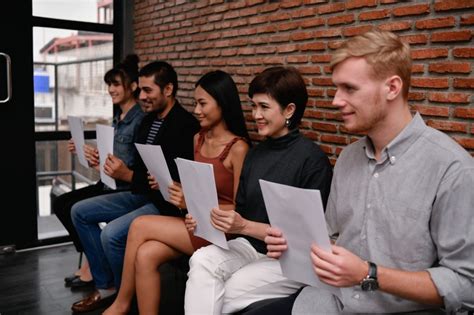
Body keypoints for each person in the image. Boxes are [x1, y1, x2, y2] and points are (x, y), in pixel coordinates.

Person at [265, 28, 474, 314]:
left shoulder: (452, 168)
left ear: (392, 88)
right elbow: (334, 239)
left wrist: (369, 274)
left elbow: (466, 285)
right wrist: (294, 244)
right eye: (337, 88)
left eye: (349, 88)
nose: (336, 100)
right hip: (330, 302)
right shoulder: (348, 158)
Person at [183, 66, 333, 315]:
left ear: (289, 110)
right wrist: (206, 219)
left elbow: (308, 238)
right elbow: (241, 212)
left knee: (216, 294)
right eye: (253, 106)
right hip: (249, 246)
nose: (255, 115)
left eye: (264, 107)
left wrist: (243, 226)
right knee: (200, 260)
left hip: (290, 260)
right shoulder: (255, 154)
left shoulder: (312, 160)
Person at [103, 70, 251, 314]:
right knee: (146, 254)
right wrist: (176, 190)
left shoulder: (238, 148)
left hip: (221, 230)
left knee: (139, 225)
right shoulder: (197, 139)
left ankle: (121, 304)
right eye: (195, 103)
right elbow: (196, 190)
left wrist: (191, 202)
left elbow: (239, 208)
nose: (197, 110)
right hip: (195, 221)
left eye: (203, 103)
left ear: (222, 104)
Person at [70, 61, 200, 313]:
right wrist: (113, 167)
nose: (142, 96)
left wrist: (130, 175)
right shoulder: (147, 121)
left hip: (164, 205)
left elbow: (181, 182)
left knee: (112, 235)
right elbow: (139, 170)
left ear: (169, 89)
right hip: (140, 193)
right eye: (140, 90)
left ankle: (123, 296)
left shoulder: (186, 127)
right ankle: (106, 284)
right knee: (79, 211)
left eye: (148, 90)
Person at [54, 54, 145, 289]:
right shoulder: (119, 118)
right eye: (109, 85)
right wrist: (88, 155)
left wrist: (103, 164)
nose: (110, 90)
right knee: (61, 203)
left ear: (133, 86)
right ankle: (94, 264)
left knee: (72, 208)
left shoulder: (140, 120)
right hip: (109, 182)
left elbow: (131, 167)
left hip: (124, 188)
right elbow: (111, 161)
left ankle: (94, 269)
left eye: (116, 84)